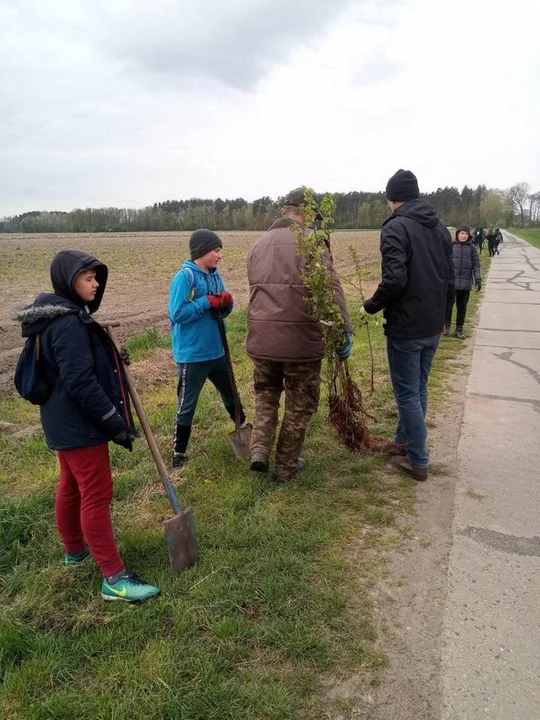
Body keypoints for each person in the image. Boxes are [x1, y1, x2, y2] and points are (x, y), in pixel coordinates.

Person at [14, 250, 161, 602]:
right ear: (68, 280)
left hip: (61, 422)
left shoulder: (58, 317)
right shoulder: (67, 324)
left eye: (96, 278)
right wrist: (111, 419)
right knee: (96, 494)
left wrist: (111, 356)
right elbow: (80, 382)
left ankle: (75, 551)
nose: (95, 284)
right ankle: (114, 578)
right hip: (80, 426)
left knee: (71, 486)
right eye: (87, 278)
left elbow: (73, 366)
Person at [246, 187, 353, 482]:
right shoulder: (312, 242)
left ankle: (259, 451)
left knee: (266, 394)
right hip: (300, 343)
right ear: (304, 213)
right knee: (299, 403)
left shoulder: (258, 244)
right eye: (313, 216)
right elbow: (331, 290)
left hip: (262, 338)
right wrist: (343, 330)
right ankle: (285, 467)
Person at [363, 170, 453, 482]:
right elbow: (449, 278)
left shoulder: (395, 228)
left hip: (407, 326)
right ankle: (403, 443)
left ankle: (418, 460)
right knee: (419, 387)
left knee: (407, 394)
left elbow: (395, 279)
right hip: (432, 324)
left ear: (391, 198)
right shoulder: (439, 227)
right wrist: (445, 318)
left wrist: (371, 305)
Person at [169, 229, 247, 469]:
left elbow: (220, 310)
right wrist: (205, 302)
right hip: (193, 355)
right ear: (202, 251)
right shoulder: (185, 278)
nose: (219, 255)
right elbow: (177, 314)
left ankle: (244, 433)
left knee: (231, 393)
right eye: (216, 250)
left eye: (219, 250)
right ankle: (179, 453)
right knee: (187, 403)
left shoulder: (215, 276)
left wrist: (226, 305)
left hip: (217, 350)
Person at [444, 225, 482, 339]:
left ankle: (459, 329)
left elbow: (476, 265)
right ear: (457, 234)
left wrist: (478, 279)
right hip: (451, 283)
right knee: (448, 306)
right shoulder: (450, 246)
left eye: (466, 234)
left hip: (465, 284)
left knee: (462, 307)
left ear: (468, 235)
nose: (464, 236)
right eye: (462, 233)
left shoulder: (472, 248)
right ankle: (446, 326)